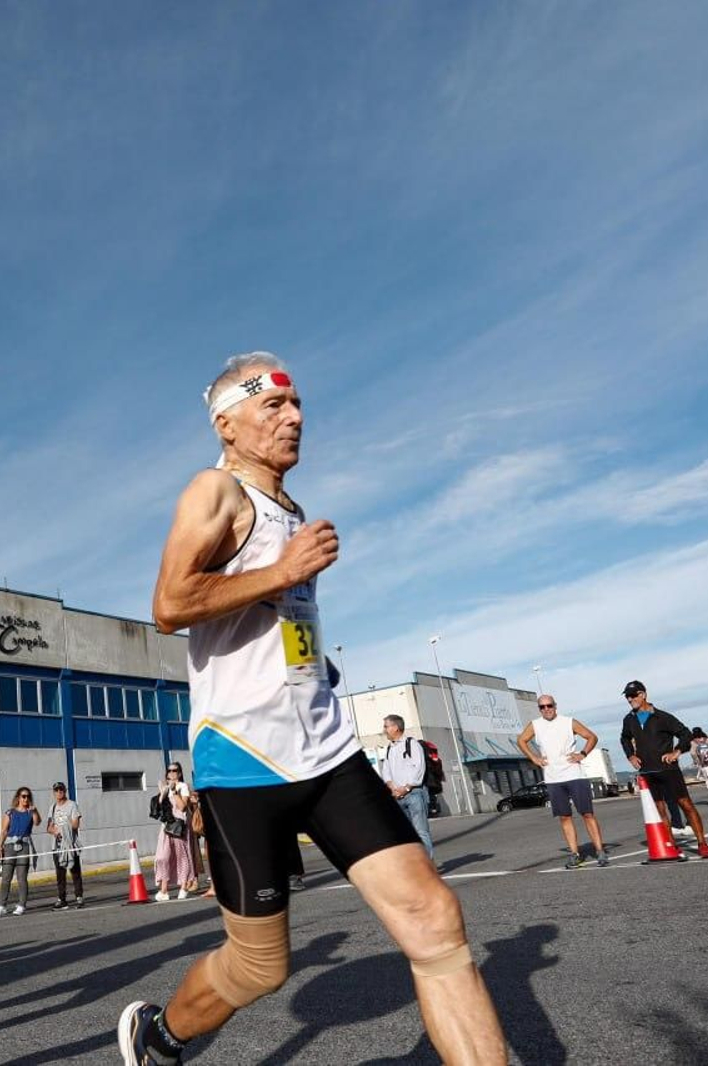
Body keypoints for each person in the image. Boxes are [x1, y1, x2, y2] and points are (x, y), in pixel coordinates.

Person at [119, 353, 504, 1066]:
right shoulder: (215, 492)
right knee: (261, 967)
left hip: (327, 751)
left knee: (435, 922)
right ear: (227, 424)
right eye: (273, 408)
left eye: (296, 408)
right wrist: (285, 572)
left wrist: (311, 662)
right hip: (243, 762)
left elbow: (267, 619)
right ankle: (161, 1035)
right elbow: (171, 604)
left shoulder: (286, 510)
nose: (294, 419)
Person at [618, 681, 708, 858]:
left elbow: (685, 734)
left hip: (668, 769)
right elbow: (624, 738)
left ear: (643, 695)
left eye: (633, 695)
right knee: (660, 810)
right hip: (647, 771)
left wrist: (677, 751)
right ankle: (672, 845)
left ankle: (702, 843)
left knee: (685, 804)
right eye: (627, 697)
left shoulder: (662, 717)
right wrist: (630, 755)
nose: (630, 699)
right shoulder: (629, 719)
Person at [516, 696, 609, 868]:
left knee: (587, 814)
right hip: (553, 778)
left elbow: (591, 737)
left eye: (549, 705)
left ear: (555, 706)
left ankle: (600, 851)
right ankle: (575, 855)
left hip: (575, 775)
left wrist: (582, 754)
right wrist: (534, 758)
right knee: (564, 817)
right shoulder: (535, 725)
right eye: (542, 707)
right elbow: (521, 740)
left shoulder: (568, 722)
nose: (546, 709)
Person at [379, 716, 434, 860]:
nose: (384, 730)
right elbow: (386, 771)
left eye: (386, 726)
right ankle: (417, 866)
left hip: (414, 794)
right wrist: (392, 787)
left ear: (396, 727)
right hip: (398, 796)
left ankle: (427, 867)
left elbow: (419, 769)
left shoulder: (412, 744)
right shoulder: (390, 748)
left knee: (421, 832)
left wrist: (406, 788)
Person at [0, 788, 40, 918]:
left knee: (21, 878)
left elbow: (37, 823)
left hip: (24, 845)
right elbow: (3, 831)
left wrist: (35, 811)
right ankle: (2, 905)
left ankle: (22, 904)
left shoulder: (31, 812)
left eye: (28, 796)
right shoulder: (10, 812)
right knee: (6, 877)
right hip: (9, 846)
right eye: (23, 796)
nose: (26, 799)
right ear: (18, 797)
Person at [152, 764, 193, 902]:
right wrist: (162, 791)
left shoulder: (183, 787)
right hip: (166, 826)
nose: (171, 773)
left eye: (174, 770)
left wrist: (175, 792)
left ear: (180, 773)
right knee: (162, 857)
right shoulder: (165, 787)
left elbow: (182, 807)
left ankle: (183, 886)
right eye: (169, 771)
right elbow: (159, 807)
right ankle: (164, 890)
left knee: (181, 856)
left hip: (179, 826)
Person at [46, 783, 84, 910]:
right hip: (57, 846)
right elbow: (49, 827)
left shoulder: (72, 805)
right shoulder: (52, 808)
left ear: (65, 791)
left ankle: (79, 897)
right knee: (60, 874)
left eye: (61, 789)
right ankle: (62, 899)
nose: (59, 792)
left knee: (75, 871)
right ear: (54, 792)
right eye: (56, 790)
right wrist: (55, 831)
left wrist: (63, 829)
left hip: (70, 843)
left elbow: (75, 824)